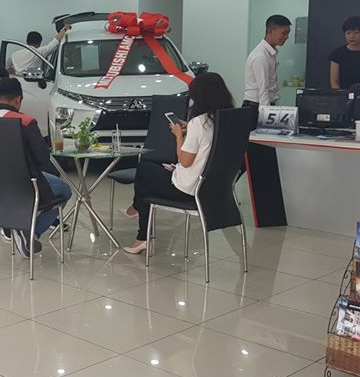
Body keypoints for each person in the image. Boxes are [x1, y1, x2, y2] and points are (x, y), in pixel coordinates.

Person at [123, 72, 234, 254]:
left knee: (144, 172)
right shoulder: (225, 120)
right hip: (212, 189)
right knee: (146, 180)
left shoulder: (199, 123)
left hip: (188, 189)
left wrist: (178, 136)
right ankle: (138, 223)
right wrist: (189, 127)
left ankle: (141, 230)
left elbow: (185, 161)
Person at [0, 77, 72, 257]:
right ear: (18, 99)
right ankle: (30, 232)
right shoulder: (25, 122)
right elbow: (42, 158)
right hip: (25, 184)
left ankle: (19, 227)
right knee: (64, 190)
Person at [243, 15, 291, 108]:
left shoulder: (270, 53)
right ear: (270, 31)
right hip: (256, 106)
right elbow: (263, 90)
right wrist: (266, 113)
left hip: (263, 105)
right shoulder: (261, 56)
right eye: (284, 33)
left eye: (288, 33)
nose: (287, 37)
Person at [330, 16, 360, 90]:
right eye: (348, 33)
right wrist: (341, 95)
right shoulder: (337, 54)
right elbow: (334, 82)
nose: (352, 36)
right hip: (344, 95)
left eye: (356, 33)